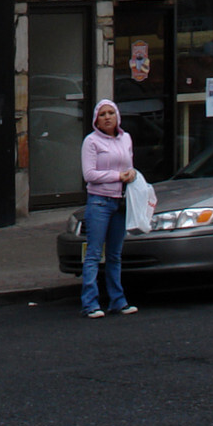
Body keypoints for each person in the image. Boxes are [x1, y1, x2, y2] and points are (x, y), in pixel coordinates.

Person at [79, 99, 138, 320]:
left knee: (114, 255)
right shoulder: (91, 142)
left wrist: (130, 174)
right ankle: (90, 303)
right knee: (94, 253)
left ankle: (118, 301)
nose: (107, 117)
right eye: (102, 114)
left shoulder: (126, 139)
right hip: (99, 202)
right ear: (96, 119)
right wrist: (117, 176)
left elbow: (128, 165)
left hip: (120, 202)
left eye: (110, 113)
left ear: (117, 116)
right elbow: (89, 174)